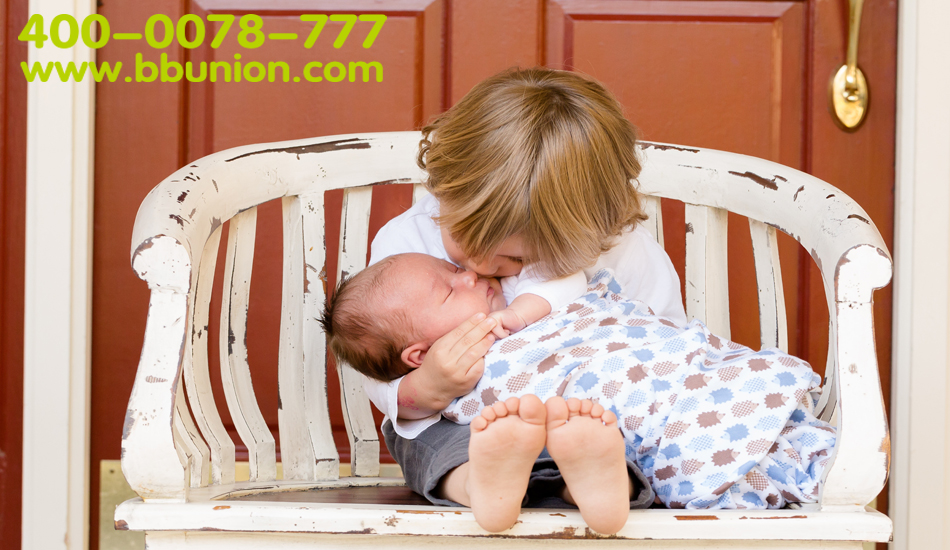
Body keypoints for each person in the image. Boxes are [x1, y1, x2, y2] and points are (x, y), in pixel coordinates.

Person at [340, 67, 686, 533]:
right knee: (427, 441)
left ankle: (597, 481)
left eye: (516, 258)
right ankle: (479, 483)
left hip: (593, 415)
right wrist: (427, 387)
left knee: (615, 440)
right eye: (462, 242)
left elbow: (667, 342)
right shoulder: (408, 241)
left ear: (589, 231)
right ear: (443, 190)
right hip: (475, 426)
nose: (479, 266)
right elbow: (379, 358)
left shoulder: (621, 250)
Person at [324, 254, 835, 516]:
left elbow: (598, 307)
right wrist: (431, 383)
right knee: (461, 430)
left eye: (455, 270)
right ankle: (560, 481)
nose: (471, 276)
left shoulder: (526, 286)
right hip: (560, 420)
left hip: (655, 379)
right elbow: (397, 396)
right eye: (449, 289)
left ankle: (592, 480)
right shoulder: (406, 257)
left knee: (601, 416)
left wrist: (525, 314)